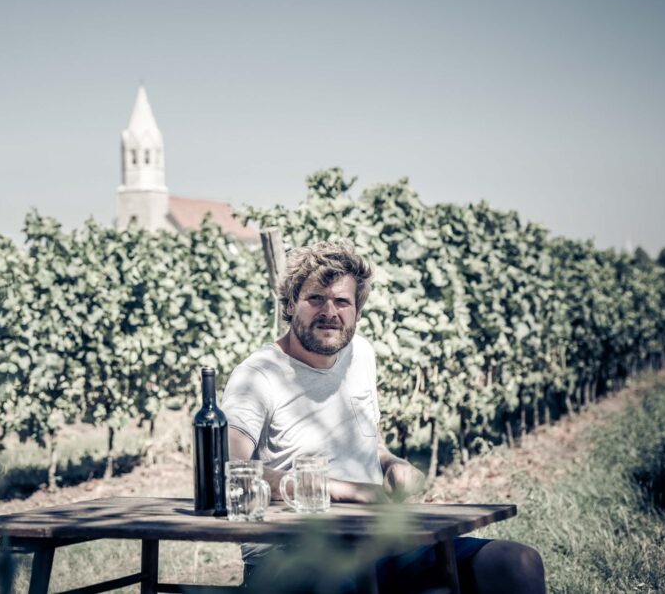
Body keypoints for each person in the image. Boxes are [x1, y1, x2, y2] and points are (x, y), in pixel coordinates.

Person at [221, 240, 545, 593]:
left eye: (342, 301)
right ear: (289, 306)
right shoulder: (257, 376)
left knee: (517, 563)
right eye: (315, 299)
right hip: (293, 555)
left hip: (378, 542)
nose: (329, 311)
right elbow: (229, 471)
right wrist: (345, 491)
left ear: (357, 312)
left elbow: (370, 445)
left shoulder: (360, 354)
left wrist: (392, 465)